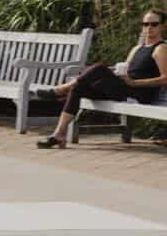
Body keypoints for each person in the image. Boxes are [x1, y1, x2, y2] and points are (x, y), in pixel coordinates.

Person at [38, 10, 167, 147]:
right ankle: (59, 135)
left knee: (99, 68)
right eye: (145, 24)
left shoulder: (161, 48)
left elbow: (165, 79)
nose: (149, 28)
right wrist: (115, 74)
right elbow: (126, 69)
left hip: (138, 95)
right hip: (124, 88)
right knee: (78, 88)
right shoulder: (137, 48)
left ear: (163, 26)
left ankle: (62, 89)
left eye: (154, 24)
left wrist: (134, 83)